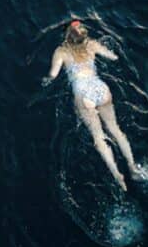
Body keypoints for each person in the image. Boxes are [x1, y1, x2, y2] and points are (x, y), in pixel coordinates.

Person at [42, 20, 140, 190]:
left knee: (98, 137)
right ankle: (132, 167)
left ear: (67, 36)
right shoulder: (92, 45)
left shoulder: (61, 51)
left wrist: (45, 81)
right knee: (115, 130)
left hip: (83, 93)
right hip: (101, 88)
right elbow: (113, 57)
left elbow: (53, 75)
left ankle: (117, 174)